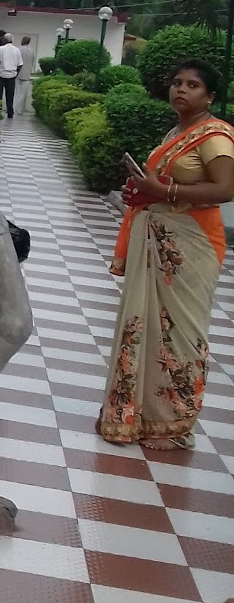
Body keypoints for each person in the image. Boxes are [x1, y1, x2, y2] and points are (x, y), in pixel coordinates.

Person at [97, 60, 234, 451]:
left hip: (191, 246)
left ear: (209, 96)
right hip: (160, 238)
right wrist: (142, 191)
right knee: (148, 327)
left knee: (182, 333)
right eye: (177, 82)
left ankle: (175, 425)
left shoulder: (216, 135)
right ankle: (140, 416)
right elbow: (163, 184)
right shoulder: (176, 132)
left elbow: (225, 189)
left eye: (192, 85)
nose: (181, 90)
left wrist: (162, 191)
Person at [0, 34, 23, 118]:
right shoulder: (16, 50)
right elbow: (20, 64)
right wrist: (16, 73)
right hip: (12, 76)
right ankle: (10, 113)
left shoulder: (0, 49)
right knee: (10, 96)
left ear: (4, 40)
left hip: (0, 75)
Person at [15, 35, 36, 115]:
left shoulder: (18, 50)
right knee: (23, 94)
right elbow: (32, 62)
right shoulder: (31, 51)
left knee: (16, 92)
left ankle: (14, 108)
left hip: (17, 74)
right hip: (26, 74)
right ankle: (20, 110)